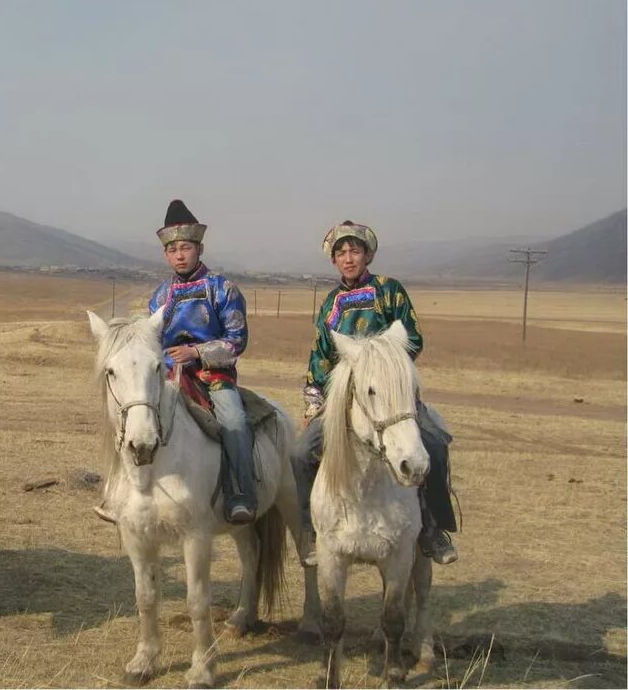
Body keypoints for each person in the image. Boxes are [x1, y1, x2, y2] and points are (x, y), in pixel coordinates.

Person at [292, 220, 459, 567]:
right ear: (334, 261)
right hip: (343, 402)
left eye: (354, 251)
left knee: (436, 448)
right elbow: (320, 356)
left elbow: (412, 338)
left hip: (391, 394)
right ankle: (311, 529)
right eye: (341, 253)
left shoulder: (390, 291)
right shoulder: (331, 304)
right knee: (299, 452)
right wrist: (313, 403)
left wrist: (378, 362)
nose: (348, 258)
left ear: (368, 254)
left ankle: (431, 528)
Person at [96, 200, 255, 525]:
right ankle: (118, 492)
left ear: (199, 248)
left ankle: (240, 494)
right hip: (168, 376)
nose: (180, 255)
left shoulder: (222, 289)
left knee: (235, 421)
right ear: (166, 255)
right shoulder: (161, 296)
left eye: (186, 248)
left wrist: (197, 353)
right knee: (130, 414)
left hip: (213, 378)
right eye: (173, 250)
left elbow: (237, 340)